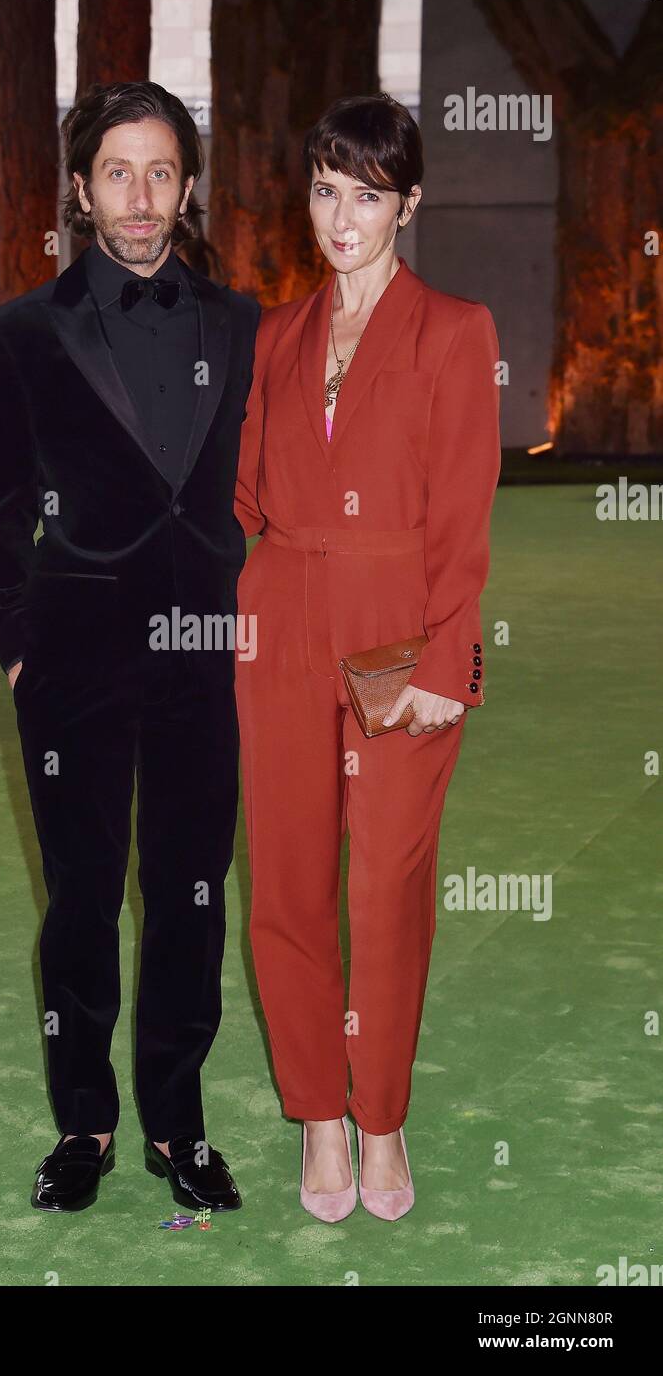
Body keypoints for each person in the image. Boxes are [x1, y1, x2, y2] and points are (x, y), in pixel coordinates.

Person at [0, 81, 260, 1214]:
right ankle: (84, 1122)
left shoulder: (240, 326)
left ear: (188, 187)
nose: (141, 198)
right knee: (82, 897)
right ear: (82, 190)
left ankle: (178, 1126)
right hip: (74, 654)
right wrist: (13, 644)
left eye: (161, 172)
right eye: (117, 172)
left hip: (201, 653)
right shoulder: (22, 333)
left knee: (189, 891)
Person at [234, 93, 501, 1223]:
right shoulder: (275, 334)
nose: (343, 218)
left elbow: (464, 515)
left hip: (400, 635)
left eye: (369, 195)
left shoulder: (454, 330)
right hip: (278, 624)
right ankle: (319, 1119)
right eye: (327, 191)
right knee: (289, 885)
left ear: (409, 205)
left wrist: (448, 658)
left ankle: (381, 1116)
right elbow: (240, 497)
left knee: (386, 887)